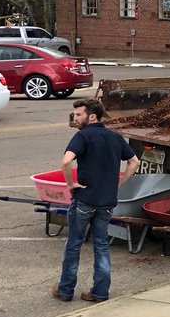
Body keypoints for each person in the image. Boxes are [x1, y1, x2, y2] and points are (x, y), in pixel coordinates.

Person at [52, 99, 140, 303]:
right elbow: (134, 161)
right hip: (107, 201)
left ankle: (65, 289)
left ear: (92, 116)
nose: (75, 117)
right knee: (101, 244)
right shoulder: (115, 137)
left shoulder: (82, 136)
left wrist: (71, 184)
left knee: (74, 243)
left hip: (85, 198)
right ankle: (100, 291)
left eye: (79, 114)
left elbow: (66, 161)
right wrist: (120, 183)